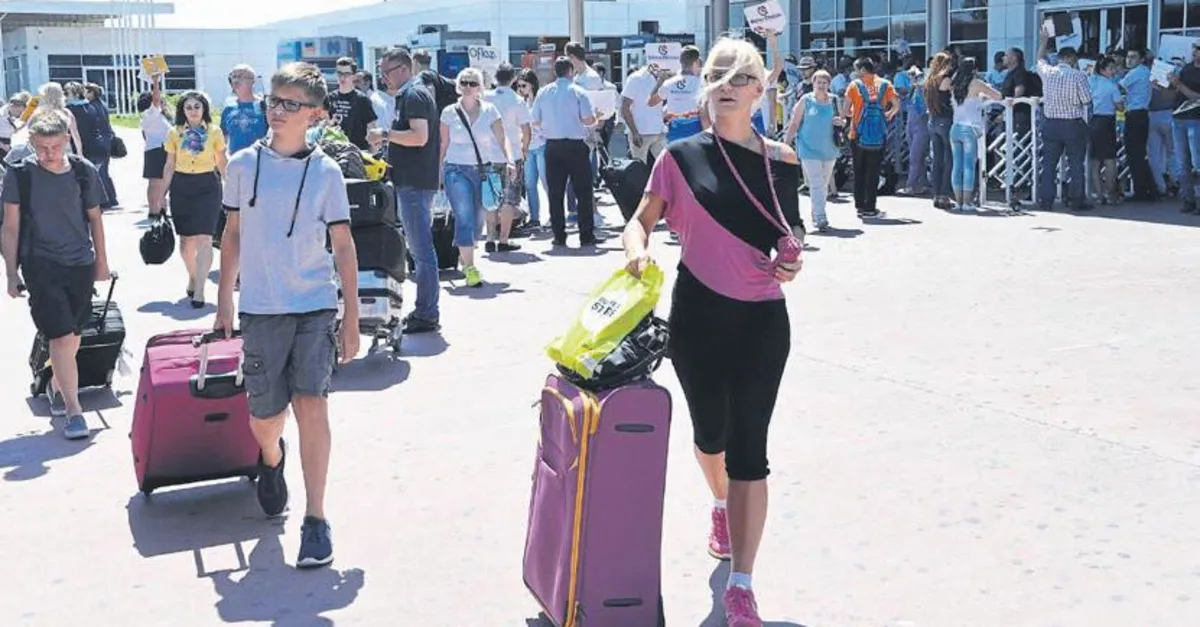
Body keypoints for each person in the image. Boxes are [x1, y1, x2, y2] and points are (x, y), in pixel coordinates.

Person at [622, 36, 802, 627]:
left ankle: (742, 586)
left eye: (739, 76)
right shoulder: (679, 158)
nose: (726, 84)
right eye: (718, 75)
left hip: (762, 321)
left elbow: (790, 231)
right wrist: (637, 250)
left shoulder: (781, 161)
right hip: (698, 318)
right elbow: (639, 221)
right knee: (710, 437)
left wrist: (792, 258)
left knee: (751, 448)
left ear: (759, 89)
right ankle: (721, 501)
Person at [214, 61, 360, 570]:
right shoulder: (240, 165)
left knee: (312, 405)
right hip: (261, 307)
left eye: (289, 104)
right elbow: (232, 234)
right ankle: (270, 458)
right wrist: (224, 299)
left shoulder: (326, 172)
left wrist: (352, 316)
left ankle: (315, 519)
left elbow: (344, 245)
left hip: (314, 306)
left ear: (314, 114)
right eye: (273, 101)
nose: (276, 111)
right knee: (264, 419)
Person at [2, 109, 110, 440]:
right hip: (40, 263)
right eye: (41, 147)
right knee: (60, 335)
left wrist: (102, 262)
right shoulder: (19, 175)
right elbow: (10, 227)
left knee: (72, 335)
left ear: (66, 139)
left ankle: (57, 385)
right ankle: (75, 412)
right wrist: (10, 273)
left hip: (79, 263)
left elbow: (95, 218)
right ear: (31, 142)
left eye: (55, 146)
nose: (49, 154)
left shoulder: (82, 170)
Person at [381, 47, 443, 333]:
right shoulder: (411, 94)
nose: (384, 78)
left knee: (421, 252)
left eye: (387, 72)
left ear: (403, 69)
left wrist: (386, 135)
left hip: (415, 183)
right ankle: (426, 310)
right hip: (413, 182)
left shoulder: (414, 95)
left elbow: (419, 137)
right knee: (420, 250)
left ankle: (427, 313)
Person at [438, 67, 515, 288]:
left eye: (472, 83)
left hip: (483, 170)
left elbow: (503, 138)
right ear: (458, 85)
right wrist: (438, 171)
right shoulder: (449, 112)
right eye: (464, 82)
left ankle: (466, 254)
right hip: (456, 169)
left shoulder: (490, 110)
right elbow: (443, 144)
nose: (468, 87)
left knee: (479, 219)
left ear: (480, 87)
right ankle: (471, 268)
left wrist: (509, 160)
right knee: (464, 216)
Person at [161, 91, 227, 307]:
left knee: (205, 238)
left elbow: (221, 161)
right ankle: (193, 275)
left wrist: (232, 186)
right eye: (188, 107)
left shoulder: (215, 132)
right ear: (183, 111)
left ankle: (200, 290)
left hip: (208, 186)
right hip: (181, 186)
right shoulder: (174, 133)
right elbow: (169, 165)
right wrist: (161, 195)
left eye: (197, 106)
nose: (193, 111)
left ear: (204, 108)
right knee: (185, 241)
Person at [532, 56, 600, 248]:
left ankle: (559, 235)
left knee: (555, 193)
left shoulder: (543, 92)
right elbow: (587, 119)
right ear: (571, 71)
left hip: (552, 146)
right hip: (576, 146)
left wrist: (547, 129)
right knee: (583, 192)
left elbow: (535, 120)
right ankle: (586, 235)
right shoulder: (579, 92)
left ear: (555, 72)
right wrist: (596, 119)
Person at [1034, 31, 1092, 211]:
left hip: (1051, 123)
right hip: (1072, 124)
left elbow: (1039, 60)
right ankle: (1076, 200)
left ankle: (1046, 201)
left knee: (1049, 164)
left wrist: (1044, 42)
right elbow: (1086, 100)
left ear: (1059, 58)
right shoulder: (1078, 76)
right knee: (1075, 164)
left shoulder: (1048, 73)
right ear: (1072, 59)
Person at [784, 69, 843, 231]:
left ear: (829, 84)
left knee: (823, 183)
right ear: (813, 83)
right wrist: (786, 144)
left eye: (824, 82)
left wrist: (841, 122)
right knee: (816, 182)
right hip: (808, 148)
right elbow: (794, 123)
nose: (821, 85)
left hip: (829, 148)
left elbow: (842, 120)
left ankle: (816, 212)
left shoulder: (834, 100)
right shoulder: (806, 100)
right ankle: (821, 216)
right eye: (818, 82)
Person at [842, 56, 900, 218]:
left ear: (862, 69)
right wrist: (888, 114)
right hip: (878, 134)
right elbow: (896, 105)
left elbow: (845, 109)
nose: (854, 72)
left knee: (858, 170)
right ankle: (870, 206)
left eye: (856, 69)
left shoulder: (854, 85)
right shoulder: (885, 84)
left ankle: (859, 204)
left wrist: (853, 115)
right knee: (873, 171)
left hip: (857, 134)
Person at [483, 62, 531, 251]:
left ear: (496, 77)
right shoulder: (518, 101)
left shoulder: (485, 98)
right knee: (509, 200)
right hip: (512, 155)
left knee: (490, 199)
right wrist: (524, 148)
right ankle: (503, 240)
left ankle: (489, 238)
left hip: (488, 155)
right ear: (513, 79)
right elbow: (526, 129)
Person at [948, 57, 1002, 211]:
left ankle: (958, 202)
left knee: (957, 166)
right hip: (970, 128)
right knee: (969, 166)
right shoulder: (977, 83)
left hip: (955, 128)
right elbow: (998, 96)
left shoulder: (955, 83)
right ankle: (967, 203)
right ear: (975, 70)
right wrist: (984, 94)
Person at [649, 45, 707, 143]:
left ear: (680, 62)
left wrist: (660, 82)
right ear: (697, 62)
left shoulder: (669, 83)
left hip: (675, 134)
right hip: (696, 133)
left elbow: (651, 102)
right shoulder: (702, 84)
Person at [1120, 49, 1157, 201]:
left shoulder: (1137, 72)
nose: (1129, 60)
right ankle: (1149, 189)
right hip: (1140, 115)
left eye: (1133, 57)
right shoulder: (1144, 72)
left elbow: (1119, 85)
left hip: (1135, 115)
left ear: (1141, 59)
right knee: (1138, 154)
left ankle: (1143, 191)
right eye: (1128, 57)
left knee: (1135, 154)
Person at [1170, 41, 1200, 214]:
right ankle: (1188, 199)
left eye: (1199, 49)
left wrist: (1179, 85)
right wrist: (1165, 84)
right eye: (1194, 49)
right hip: (1178, 118)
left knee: (1198, 163)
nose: (1195, 52)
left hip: (1196, 119)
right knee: (1182, 163)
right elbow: (1176, 92)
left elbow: (1197, 97)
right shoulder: (1186, 69)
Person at [1088, 58, 1123, 205]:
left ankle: (1098, 194)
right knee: (1110, 160)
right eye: (1110, 68)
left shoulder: (1092, 82)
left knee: (1095, 161)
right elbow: (1119, 106)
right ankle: (1110, 194)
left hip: (1094, 120)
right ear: (1102, 70)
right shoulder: (1111, 86)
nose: (1113, 71)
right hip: (1107, 121)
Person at [324, 56, 378, 151]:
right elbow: (324, 124)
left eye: (346, 74)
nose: (342, 78)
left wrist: (374, 153)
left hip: (358, 152)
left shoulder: (362, 99)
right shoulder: (330, 98)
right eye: (339, 73)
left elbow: (372, 128)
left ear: (353, 76)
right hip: (334, 151)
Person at [517, 69, 547, 227]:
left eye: (524, 85)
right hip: (528, 147)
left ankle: (555, 215)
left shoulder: (540, 99)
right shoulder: (521, 102)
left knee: (546, 182)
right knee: (529, 184)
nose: (521, 89)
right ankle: (534, 218)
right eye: (519, 86)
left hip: (541, 144)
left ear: (532, 84)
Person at [926, 52, 956, 209]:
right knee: (948, 158)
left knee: (937, 159)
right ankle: (945, 194)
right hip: (945, 119)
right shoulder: (945, 79)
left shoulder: (929, 79)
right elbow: (953, 95)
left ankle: (936, 194)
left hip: (932, 120)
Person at [80, 84, 118, 209]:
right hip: (106, 141)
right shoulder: (102, 105)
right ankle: (112, 198)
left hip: (98, 141)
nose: (84, 94)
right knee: (104, 171)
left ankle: (105, 200)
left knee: (99, 172)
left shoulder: (91, 107)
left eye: (86, 91)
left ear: (92, 93)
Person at [139, 75, 172, 218]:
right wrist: (155, 82)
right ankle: (155, 210)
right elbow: (156, 99)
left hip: (158, 149)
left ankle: (161, 207)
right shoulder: (151, 113)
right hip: (157, 150)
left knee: (161, 182)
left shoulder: (153, 117)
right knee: (156, 182)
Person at [621, 62, 666, 163]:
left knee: (665, 165)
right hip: (641, 132)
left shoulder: (663, 78)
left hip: (659, 132)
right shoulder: (636, 78)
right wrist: (634, 132)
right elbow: (624, 106)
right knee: (640, 168)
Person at [220, 64, 268, 156]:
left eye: (241, 76)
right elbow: (223, 138)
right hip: (235, 160)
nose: (236, 80)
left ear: (253, 81)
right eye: (233, 76)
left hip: (260, 159)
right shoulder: (228, 108)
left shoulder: (264, 106)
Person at [898, 64, 931, 196]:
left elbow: (925, 107)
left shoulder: (923, 90)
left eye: (915, 76)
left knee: (915, 157)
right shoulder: (912, 90)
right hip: (911, 125)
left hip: (921, 125)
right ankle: (921, 184)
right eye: (911, 76)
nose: (913, 78)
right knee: (918, 157)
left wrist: (919, 82)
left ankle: (911, 185)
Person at [36, 83, 85, 160]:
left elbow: (30, 131)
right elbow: (75, 135)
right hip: (64, 149)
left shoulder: (39, 113)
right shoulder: (66, 113)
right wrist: (80, 154)